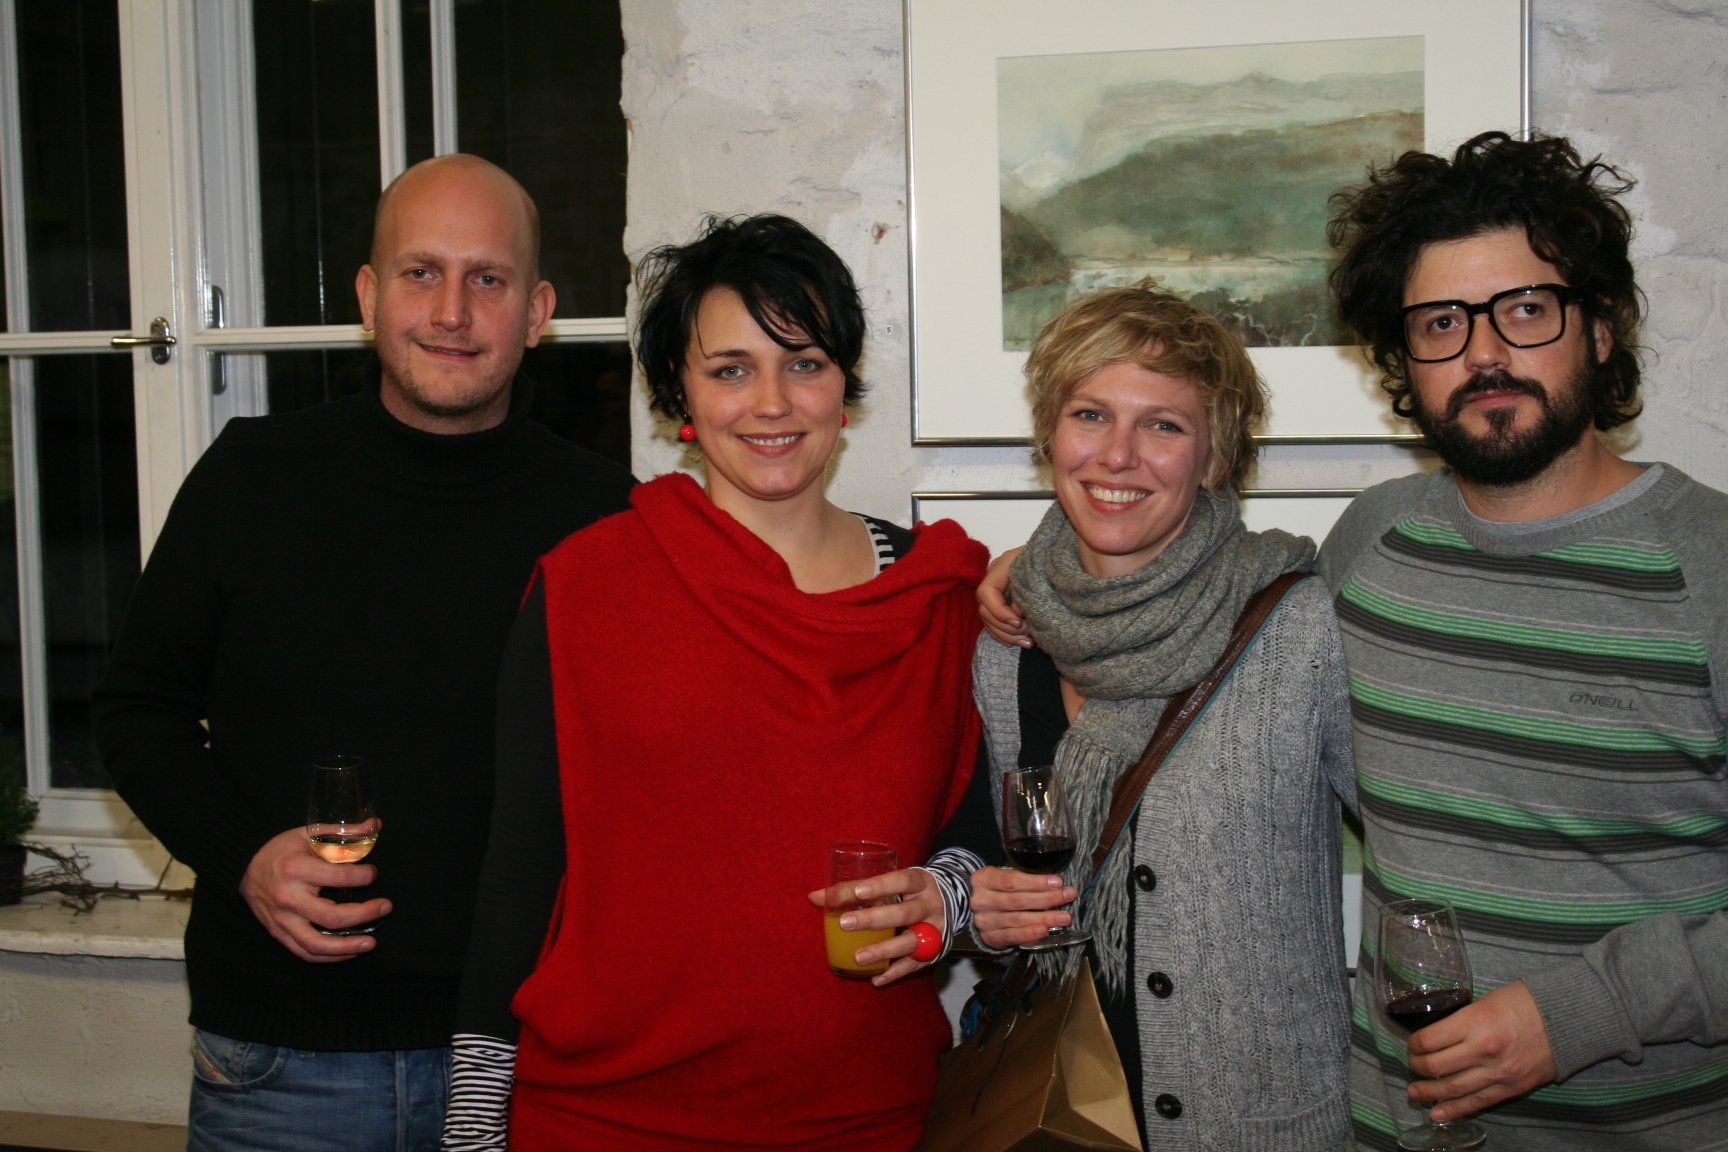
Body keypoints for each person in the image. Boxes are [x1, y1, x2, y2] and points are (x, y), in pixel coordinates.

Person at [92, 154, 635, 1152]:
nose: (452, 312)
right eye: (421, 273)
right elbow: (136, 712)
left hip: (532, 1061)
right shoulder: (252, 480)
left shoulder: (607, 517)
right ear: (369, 295)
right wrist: (244, 856)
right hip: (282, 1064)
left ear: (538, 311)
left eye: (488, 279)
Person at [440, 214, 988, 1152]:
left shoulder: (934, 594)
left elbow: (978, 833)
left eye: (804, 363)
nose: (772, 403)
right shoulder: (587, 586)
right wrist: (472, 1121)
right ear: (679, 392)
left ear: (843, 388)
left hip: (866, 1116)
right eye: (731, 370)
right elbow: (523, 869)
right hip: (606, 1117)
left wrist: (949, 898)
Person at [1318, 131, 1728, 1150]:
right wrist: (1043, 570)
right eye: (1441, 324)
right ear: (1403, 360)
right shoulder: (1368, 546)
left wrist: (1585, 1012)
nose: (1484, 354)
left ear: (1600, 330)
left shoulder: (1711, 567)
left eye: (1527, 310)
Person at [964, 282, 1359, 1147]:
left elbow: (1421, 851)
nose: (1118, 456)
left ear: (1214, 458)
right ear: (1051, 436)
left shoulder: (1296, 628)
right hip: (1057, 1118)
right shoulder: (1006, 642)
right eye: (1090, 415)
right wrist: (983, 910)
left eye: (1164, 426)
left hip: (1257, 1127)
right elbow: (985, 861)